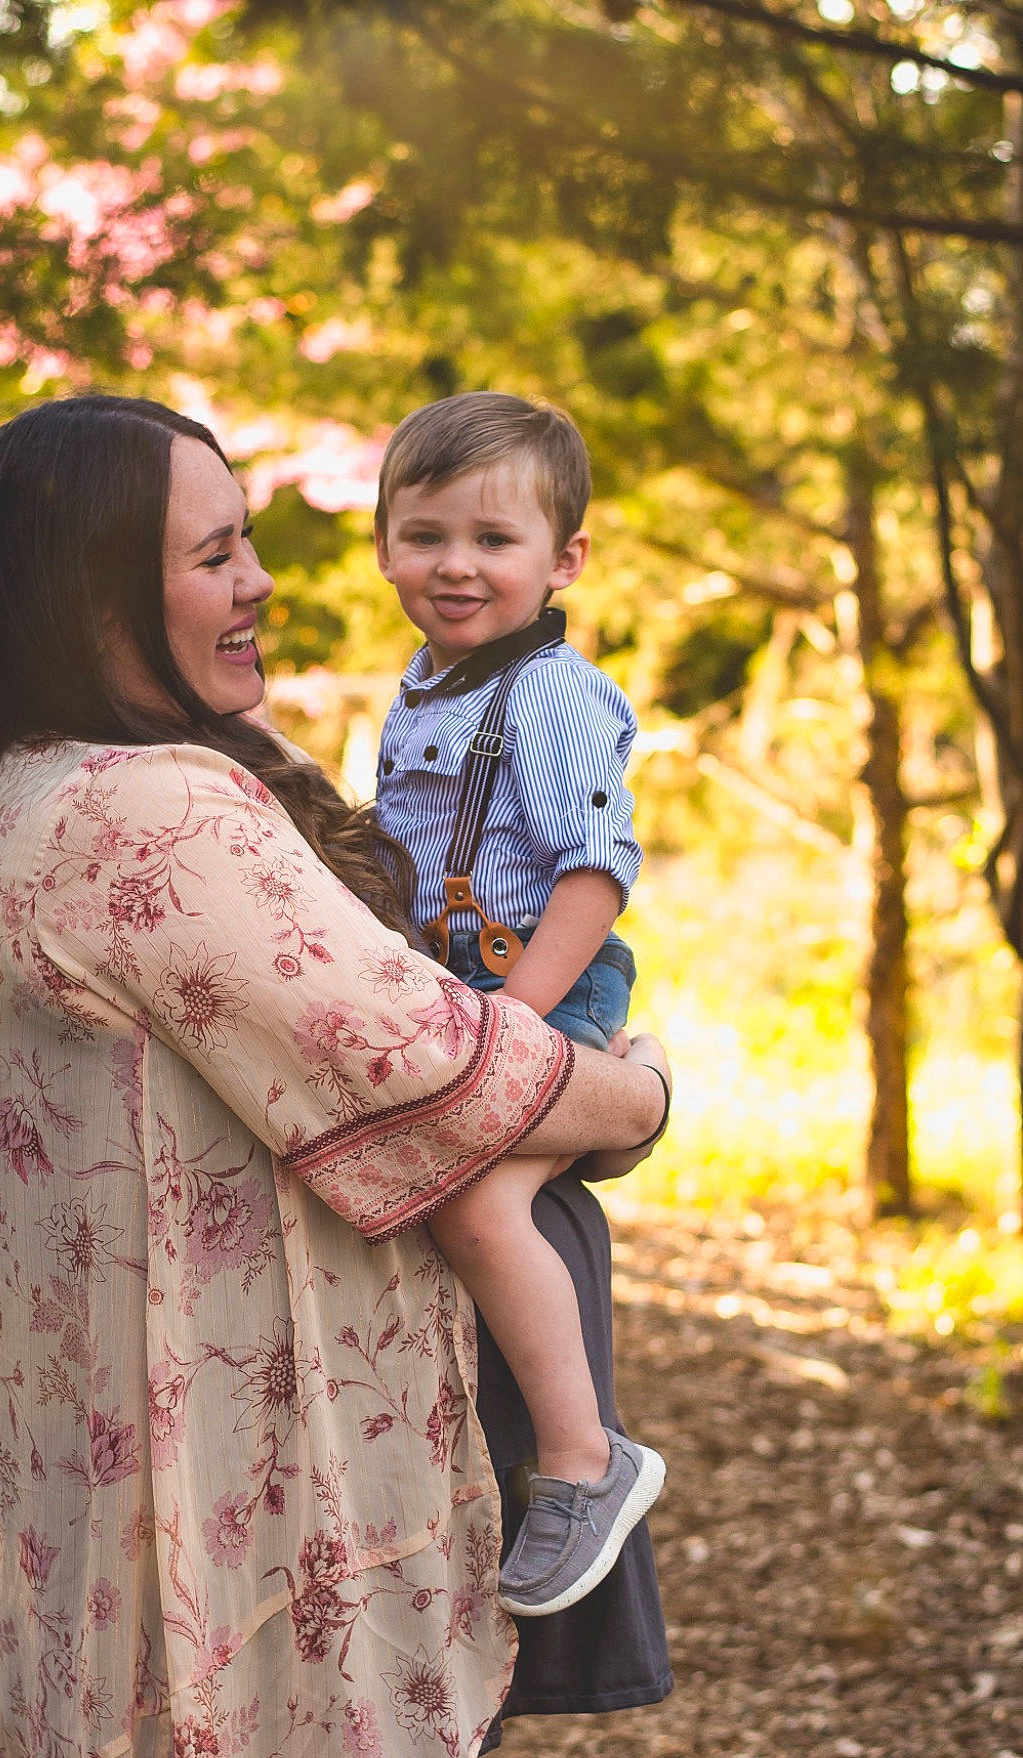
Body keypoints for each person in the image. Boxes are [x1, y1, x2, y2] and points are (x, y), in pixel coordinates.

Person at [0, 393, 672, 1758]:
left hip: (141, 1510)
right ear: (99, 593)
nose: (260, 582)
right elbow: (448, 1071)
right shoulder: (150, 816)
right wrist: (645, 1088)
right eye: (216, 550)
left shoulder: (17, 794)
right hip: (281, 1513)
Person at [374, 390, 665, 1618]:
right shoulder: (422, 687)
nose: (456, 565)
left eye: (494, 541)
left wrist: (527, 1021)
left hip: (539, 977)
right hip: (465, 992)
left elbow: (598, 870)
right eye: (425, 533)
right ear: (384, 537)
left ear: (564, 560)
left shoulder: (551, 694)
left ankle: (587, 1461)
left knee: (485, 1206)